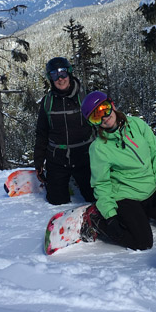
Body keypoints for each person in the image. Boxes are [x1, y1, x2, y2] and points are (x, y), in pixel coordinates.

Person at [80, 91, 156, 250]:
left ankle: (144, 215)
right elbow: (101, 184)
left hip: (151, 190)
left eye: (104, 109)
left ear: (112, 105)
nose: (104, 117)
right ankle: (97, 221)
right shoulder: (98, 149)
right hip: (126, 197)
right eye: (96, 116)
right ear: (93, 123)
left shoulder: (137, 125)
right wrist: (110, 217)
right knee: (143, 242)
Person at [34, 57, 95, 204]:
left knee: (93, 198)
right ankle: (63, 182)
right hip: (58, 159)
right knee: (56, 201)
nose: (60, 79)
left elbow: (100, 125)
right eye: (54, 75)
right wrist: (39, 162)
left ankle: (76, 181)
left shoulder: (84, 97)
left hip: (84, 156)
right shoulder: (48, 102)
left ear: (70, 74)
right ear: (50, 78)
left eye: (63, 73)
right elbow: (42, 133)